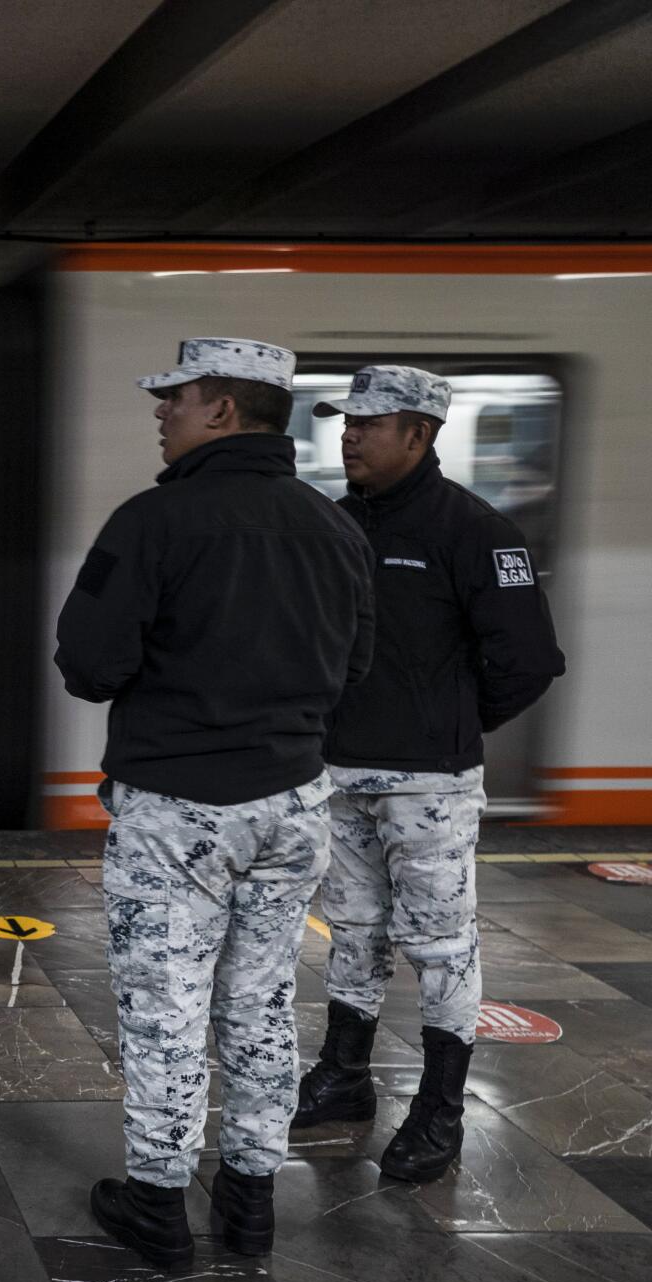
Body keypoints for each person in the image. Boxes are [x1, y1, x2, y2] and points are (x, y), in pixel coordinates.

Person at [55, 338, 375, 1265]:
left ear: (225, 410)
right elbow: (353, 669)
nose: (163, 413)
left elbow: (89, 666)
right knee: (262, 996)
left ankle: (158, 1200)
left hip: (177, 808)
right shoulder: (337, 528)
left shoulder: (153, 521)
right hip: (293, 805)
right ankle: (250, 1197)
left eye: (177, 399)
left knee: (166, 1003)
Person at [293, 365, 564, 1182]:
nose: (350, 434)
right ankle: (344, 1078)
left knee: (442, 947)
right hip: (341, 772)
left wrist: (446, 724)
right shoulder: (335, 525)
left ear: (419, 434)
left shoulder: (480, 532)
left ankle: (439, 1112)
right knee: (355, 932)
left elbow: (529, 662)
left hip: (430, 783)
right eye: (346, 421)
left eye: (370, 424)